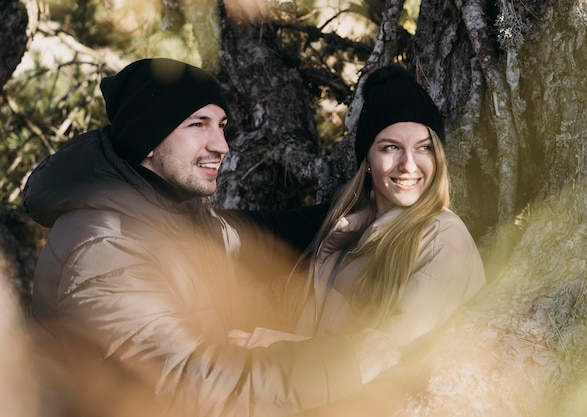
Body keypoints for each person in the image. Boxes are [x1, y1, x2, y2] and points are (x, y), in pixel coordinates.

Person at [22, 58, 400, 417]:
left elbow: (261, 237)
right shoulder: (104, 247)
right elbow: (188, 385)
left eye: (221, 125)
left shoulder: (171, 213)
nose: (221, 145)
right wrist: (340, 366)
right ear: (147, 140)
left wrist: (365, 205)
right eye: (198, 124)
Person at [290, 65, 486, 349]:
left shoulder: (443, 237)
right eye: (390, 147)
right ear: (367, 161)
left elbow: (389, 353)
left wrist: (278, 353)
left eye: (424, 147)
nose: (408, 165)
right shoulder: (351, 230)